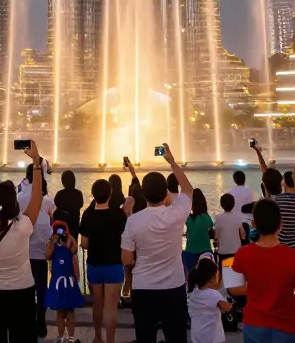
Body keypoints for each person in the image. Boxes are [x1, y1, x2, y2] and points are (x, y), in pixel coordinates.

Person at [121, 143, 194, 343]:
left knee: (145, 338)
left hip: (143, 288)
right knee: (176, 337)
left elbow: (126, 259)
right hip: (174, 287)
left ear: (143, 195)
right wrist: (171, 161)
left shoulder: (133, 221)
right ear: (166, 195)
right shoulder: (177, 213)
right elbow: (188, 190)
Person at [0, 144, 43, 342]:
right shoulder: (22, 227)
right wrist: (36, 162)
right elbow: (36, 199)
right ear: (14, 203)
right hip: (22, 293)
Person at [231, 198, 295, 342]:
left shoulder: (242, 253)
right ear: (280, 225)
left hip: (253, 326)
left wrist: (255, 286)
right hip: (287, 329)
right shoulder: (294, 257)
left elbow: (232, 288)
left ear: (253, 224)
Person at [79, 176, 127, 343]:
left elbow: (84, 243)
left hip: (94, 264)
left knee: (97, 304)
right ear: (110, 193)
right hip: (114, 264)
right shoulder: (118, 214)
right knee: (111, 308)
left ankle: (97, 337)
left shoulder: (88, 214)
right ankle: (110, 340)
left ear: (93, 194)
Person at [18, 162, 56, 337]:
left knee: (25, 292)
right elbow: (53, 220)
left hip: (23, 254)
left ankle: (26, 323)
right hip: (41, 254)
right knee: (41, 291)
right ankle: (40, 321)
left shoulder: (20, 198)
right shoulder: (47, 201)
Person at [45, 218, 85, 341]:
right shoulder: (52, 244)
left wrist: (68, 235)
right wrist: (53, 239)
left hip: (68, 281)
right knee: (60, 312)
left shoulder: (70, 244)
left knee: (70, 312)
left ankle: (71, 337)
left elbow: (73, 250)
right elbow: (47, 255)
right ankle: (61, 336)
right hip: (59, 282)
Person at [188, 255, 232, 343]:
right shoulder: (213, 294)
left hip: (197, 337)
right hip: (212, 338)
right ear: (212, 278)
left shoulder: (194, 294)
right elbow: (227, 308)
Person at [184, 188, 215, 272]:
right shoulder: (207, 217)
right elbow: (211, 227)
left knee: (190, 276)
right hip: (205, 251)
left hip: (190, 251)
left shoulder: (187, 218)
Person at [214, 192, 247, 259]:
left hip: (223, 252)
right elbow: (243, 236)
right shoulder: (238, 217)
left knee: (223, 269)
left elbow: (216, 237)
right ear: (233, 204)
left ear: (221, 205)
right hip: (236, 252)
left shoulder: (218, 217)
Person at [53, 169, 84, 239]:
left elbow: (56, 205)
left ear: (63, 181)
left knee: (62, 242)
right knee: (73, 244)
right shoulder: (78, 193)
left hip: (62, 224)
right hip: (75, 224)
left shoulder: (60, 194)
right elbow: (81, 204)